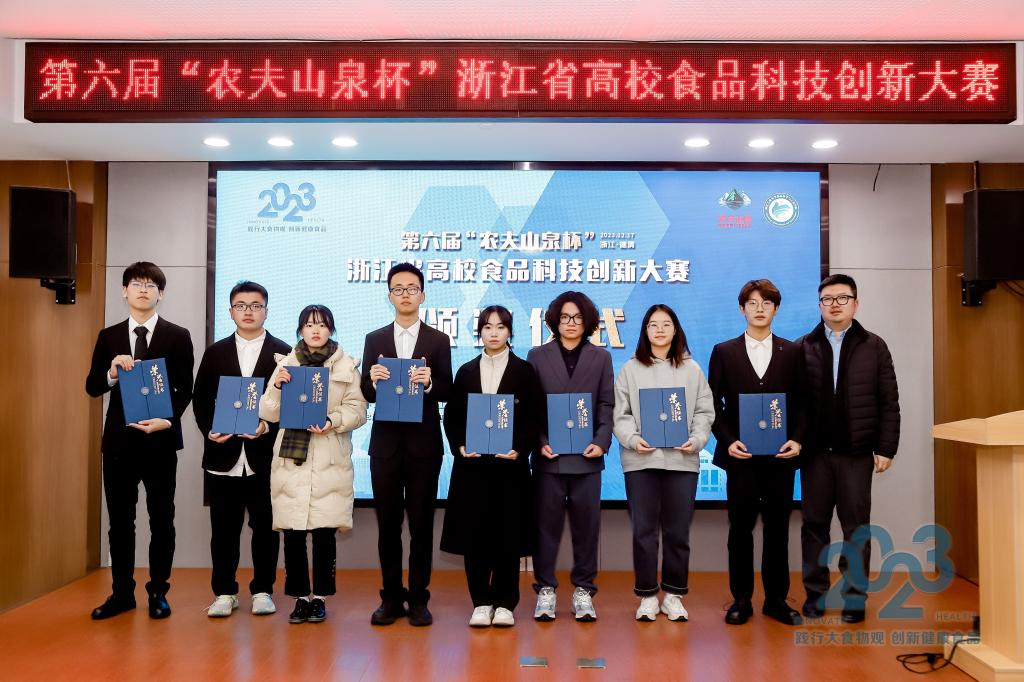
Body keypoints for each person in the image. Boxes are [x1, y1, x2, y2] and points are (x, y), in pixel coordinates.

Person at [85, 261, 194, 620]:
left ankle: (158, 591)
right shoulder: (109, 336)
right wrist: (112, 372)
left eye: (150, 285)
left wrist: (168, 420)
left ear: (161, 293)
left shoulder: (178, 335)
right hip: (119, 444)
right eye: (136, 284)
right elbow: (92, 386)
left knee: (162, 519)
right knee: (120, 522)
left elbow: (186, 389)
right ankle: (121, 593)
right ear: (124, 291)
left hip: (160, 442)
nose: (143, 290)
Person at [799, 274, 900, 624]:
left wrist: (886, 448)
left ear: (856, 303)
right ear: (819, 305)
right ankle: (815, 595)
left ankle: (855, 597)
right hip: (815, 455)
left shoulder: (874, 346)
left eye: (842, 298)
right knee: (814, 526)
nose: (835, 304)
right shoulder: (804, 346)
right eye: (827, 299)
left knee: (856, 529)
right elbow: (795, 403)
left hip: (856, 454)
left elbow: (889, 402)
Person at [258, 304, 367, 624]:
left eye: (321, 324)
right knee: (293, 534)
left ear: (331, 329)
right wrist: (277, 387)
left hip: (329, 458)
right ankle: (299, 598)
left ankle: (319, 598)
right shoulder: (286, 364)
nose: (315, 330)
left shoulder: (346, 366)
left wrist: (332, 420)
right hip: (292, 460)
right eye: (308, 325)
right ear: (300, 330)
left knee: (323, 534)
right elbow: (268, 412)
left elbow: (359, 410)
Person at [707, 279, 807, 626]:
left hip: (781, 458)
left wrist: (797, 439)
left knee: (778, 529)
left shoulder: (793, 352)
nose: (759, 308)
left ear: (776, 309)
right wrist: (727, 440)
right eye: (752, 302)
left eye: (766, 303)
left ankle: (776, 600)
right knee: (740, 529)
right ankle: (741, 599)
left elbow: (805, 403)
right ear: (742, 309)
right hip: (741, 458)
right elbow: (712, 404)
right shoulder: (724, 351)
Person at [360, 263, 453, 626]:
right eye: (398, 289)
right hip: (384, 446)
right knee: (387, 526)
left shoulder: (438, 340)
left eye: (411, 288)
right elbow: (366, 393)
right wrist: (371, 379)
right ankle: (390, 597)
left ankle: (418, 598)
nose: (405, 294)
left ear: (422, 294)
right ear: (389, 296)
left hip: (424, 447)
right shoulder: (375, 339)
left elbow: (447, 389)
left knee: (421, 526)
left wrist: (429, 383)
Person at [192, 281, 291, 618]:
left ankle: (263, 589)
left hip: (265, 458)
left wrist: (267, 427)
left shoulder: (284, 353)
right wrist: (210, 430)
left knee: (266, 529)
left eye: (256, 305)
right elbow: (201, 399)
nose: (248, 311)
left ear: (266, 310)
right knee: (223, 530)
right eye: (241, 305)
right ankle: (224, 592)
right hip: (223, 456)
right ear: (231, 311)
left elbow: (291, 405)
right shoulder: (215, 352)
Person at [614, 304, 715, 623]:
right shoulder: (630, 369)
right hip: (640, 461)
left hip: (682, 461)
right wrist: (633, 439)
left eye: (666, 324)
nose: (659, 330)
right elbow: (620, 414)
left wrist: (696, 440)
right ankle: (646, 595)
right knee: (643, 532)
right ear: (645, 331)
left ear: (676, 330)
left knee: (677, 532)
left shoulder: (692, 369)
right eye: (653, 324)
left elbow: (704, 412)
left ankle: (673, 595)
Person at [440, 305, 540, 628]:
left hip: (509, 469)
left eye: (500, 327)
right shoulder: (466, 371)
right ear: (479, 332)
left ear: (510, 331)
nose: (493, 333)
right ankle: (481, 602)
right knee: (475, 537)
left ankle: (506, 602)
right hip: (473, 469)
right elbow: (452, 416)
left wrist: (520, 448)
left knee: (508, 536)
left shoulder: (524, 371)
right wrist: (459, 446)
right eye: (487, 327)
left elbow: (534, 417)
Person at [528, 291, 614, 622]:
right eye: (564, 317)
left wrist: (601, 441)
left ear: (587, 321)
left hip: (587, 457)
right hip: (548, 457)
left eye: (577, 317)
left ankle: (584, 590)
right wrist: (539, 441)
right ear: (555, 321)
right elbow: (532, 406)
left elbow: (606, 403)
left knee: (587, 528)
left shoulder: (600, 357)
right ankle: (545, 589)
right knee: (544, 527)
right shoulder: (537, 356)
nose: (571, 323)